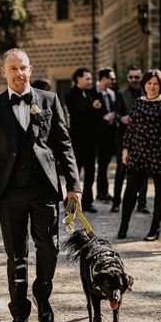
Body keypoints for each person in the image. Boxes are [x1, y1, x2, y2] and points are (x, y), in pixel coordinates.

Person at [0, 48, 81, 322]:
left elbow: (64, 145)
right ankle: (19, 311)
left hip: (44, 189)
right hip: (9, 191)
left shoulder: (49, 100)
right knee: (16, 254)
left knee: (49, 246)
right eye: (13, 68)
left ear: (30, 69)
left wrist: (74, 186)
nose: (19, 73)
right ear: (4, 72)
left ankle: (42, 295)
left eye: (23, 68)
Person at [116, 69, 161, 241]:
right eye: (149, 83)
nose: (152, 87)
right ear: (144, 85)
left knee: (160, 191)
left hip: (160, 153)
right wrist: (125, 149)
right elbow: (131, 128)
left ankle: (154, 229)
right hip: (138, 151)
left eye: (155, 84)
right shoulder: (138, 102)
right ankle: (124, 225)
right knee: (130, 191)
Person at [111, 66, 148, 214]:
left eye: (136, 77)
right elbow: (115, 114)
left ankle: (142, 203)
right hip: (124, 138)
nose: (133, 80)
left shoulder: (147, 92)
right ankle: (115, 203)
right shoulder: (121, 93)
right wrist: (122, 118)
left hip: (144, 138)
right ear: (128, 78)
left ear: (141, 77)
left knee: (144, 171)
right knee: (121, 171)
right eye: (131, 77)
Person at [65, 67, 99, 213]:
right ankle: (70, 203)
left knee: (91, 172)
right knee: (75, 173)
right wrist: (93, 108)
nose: (90, 81)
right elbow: (78, 114)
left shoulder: (90, 93)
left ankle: (87, 202)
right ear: (78, 79)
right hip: (78, 140)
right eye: (87, 79)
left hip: (91, 140)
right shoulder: (70, 95)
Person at [94, 67, 117, 202]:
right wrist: (103, 117)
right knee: (101, 165)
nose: (113, 81)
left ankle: (104, 192)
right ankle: (101, 193)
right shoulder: (93, 92)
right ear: (104, 79)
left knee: (105, 164)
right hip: (98, 135)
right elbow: (90, 114)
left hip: (110, 134)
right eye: (111, 78)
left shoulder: (111, 93)